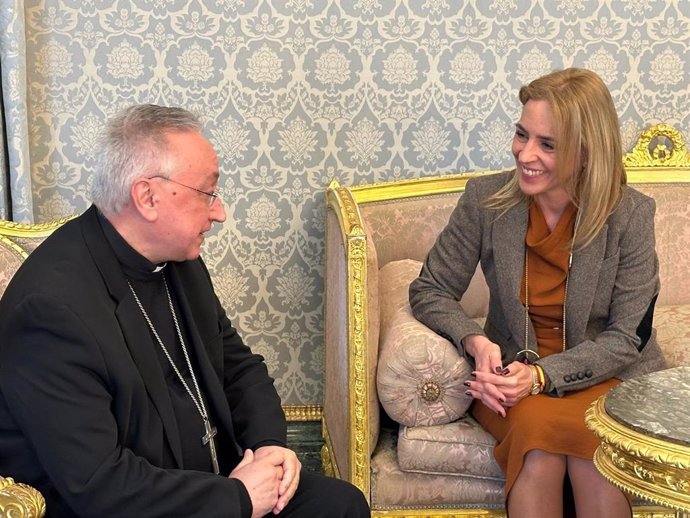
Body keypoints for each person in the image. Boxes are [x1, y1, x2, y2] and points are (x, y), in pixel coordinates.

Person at [0, 104, 370, 518]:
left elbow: (240, 368)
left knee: (340, 505)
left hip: (213, 480)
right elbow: (100, 484)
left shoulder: (178, 260)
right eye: (207, 193)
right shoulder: (50, 311)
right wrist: (238, 498)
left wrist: (270, 448)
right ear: (148, 197)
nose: (220, 211)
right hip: (137, 505)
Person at [409, 68, 666, 518]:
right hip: (513, 380)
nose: (525, 154)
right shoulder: (486, 200)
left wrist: (543, 377)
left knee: (596, 452)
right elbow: (430, 288)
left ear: (587, 153)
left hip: (605, 378)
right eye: (521, 134)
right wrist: (476, 341)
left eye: (547, 144)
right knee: (540, 448)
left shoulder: (630, 216)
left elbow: (627, 337)